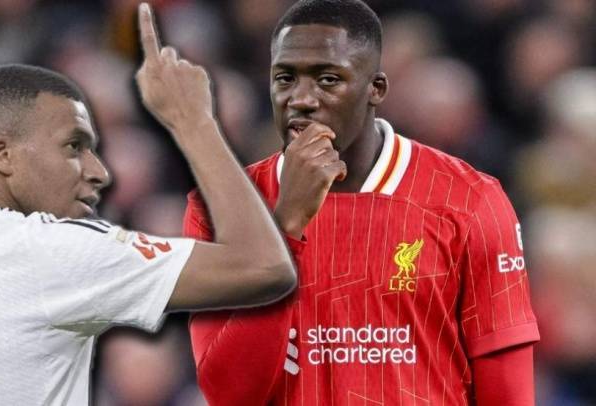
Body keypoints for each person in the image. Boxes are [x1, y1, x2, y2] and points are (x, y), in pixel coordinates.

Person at [0, 4, 296, 405]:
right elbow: (263, 267)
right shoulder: (50, 250)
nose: (99, 171)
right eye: (73, 146)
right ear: (2, 156)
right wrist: (193, 121)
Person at [184, 0, 539, 404]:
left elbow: (507, 393)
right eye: (285, 78)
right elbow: (229, 392)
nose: (301, 98)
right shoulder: (217, 209)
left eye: (327, 79)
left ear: (376, 88)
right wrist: (286, 226)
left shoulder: (470, 199)